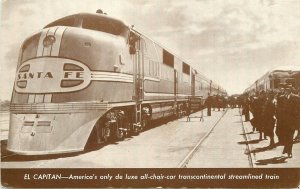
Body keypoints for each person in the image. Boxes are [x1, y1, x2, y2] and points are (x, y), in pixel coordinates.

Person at [282, 85, 298, 158]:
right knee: (285, 136)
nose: (287, 90)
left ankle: (290, 152)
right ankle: (286, 148)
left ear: (291, 90)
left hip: (292, 121)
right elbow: (278, 109)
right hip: (284, 121)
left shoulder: (296, 97)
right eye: (286, 89)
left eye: (289, 89)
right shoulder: (281, 98)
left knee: (290, 137)